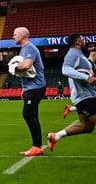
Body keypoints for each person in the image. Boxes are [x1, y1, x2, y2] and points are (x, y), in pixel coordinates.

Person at [48, 33, 96, 151]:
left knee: (87, 127)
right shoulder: (73, 53)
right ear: (78, 42)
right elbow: (65, 69)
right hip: (85, 97)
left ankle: (56, 136)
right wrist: (86, 78)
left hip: (85, 96)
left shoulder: (80, 55)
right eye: (83, 40)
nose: (84, 42)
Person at [12, 26, 46, 157]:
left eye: (15, 34)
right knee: (33, 115)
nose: (13, 36)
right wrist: (24, 89)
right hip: (30, 88)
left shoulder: (29, 48)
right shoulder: (24, 49)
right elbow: (27, 72)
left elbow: (26, 65)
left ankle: (37, 146)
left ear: (23, 35)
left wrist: (14, 67)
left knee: (27, 114)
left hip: (36, 87)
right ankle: (37, 146)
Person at [62, 51, 96, 118]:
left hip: (82, 94)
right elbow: (84, 80)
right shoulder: (88, 65)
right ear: (94, 55)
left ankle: (70, 108)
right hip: (83, 94)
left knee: (86, 127)